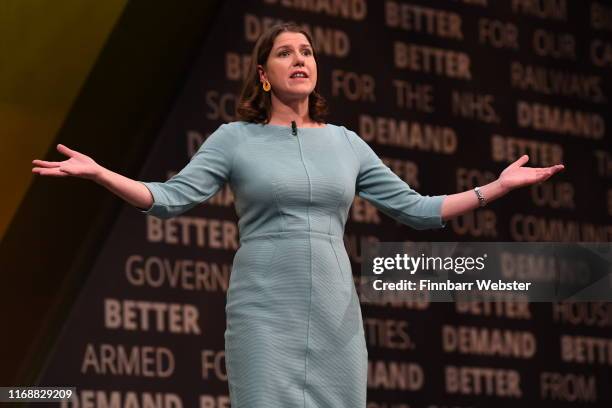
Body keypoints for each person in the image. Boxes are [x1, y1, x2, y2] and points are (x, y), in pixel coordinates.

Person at [32, 23, 564, 408]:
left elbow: (421, 211)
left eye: (307, 51)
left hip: (336, 318)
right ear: (264, 75)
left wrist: (496, 186)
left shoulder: (347, 143)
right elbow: (169, 199)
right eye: (285, 53)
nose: (300, 59)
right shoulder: (234, 139)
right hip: (265, 314)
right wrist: (101, 173)